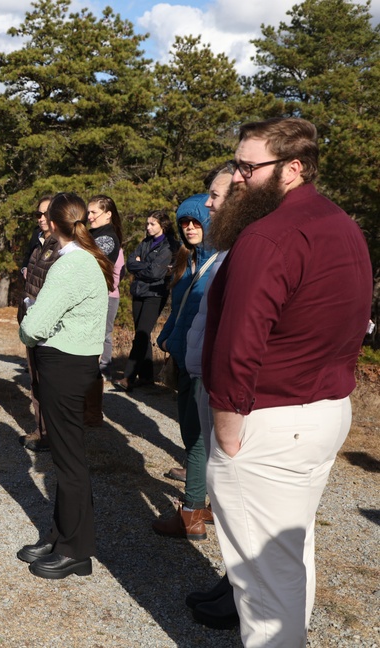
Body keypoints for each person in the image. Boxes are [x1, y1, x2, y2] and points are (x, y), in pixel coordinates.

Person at [203, 117, 372, 646]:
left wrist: (229, 429)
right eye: (236, 164)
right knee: (289, 560)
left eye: (249, 167)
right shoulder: (340, 224)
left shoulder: (268, 235)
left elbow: (239, 342)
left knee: (266, 587)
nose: (237, 178)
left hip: (269, 421)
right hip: (322, 414)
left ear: (293, 169)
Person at [16, 192, 114, 579]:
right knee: (64, 458)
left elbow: (33, 326)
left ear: (54, 225)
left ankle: (76, 551)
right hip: (71, 362)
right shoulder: (79, 260)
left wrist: (30, 322)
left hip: (64, 364)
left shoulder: (70, 265)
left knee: (69, 462)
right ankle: (61, 536)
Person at [181, 164, 239, 629]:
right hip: (201, 373)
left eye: (216, 197)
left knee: (236, 494)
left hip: (224, 388)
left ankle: (243, 597)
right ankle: (232, 581)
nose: (209, 205)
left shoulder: (241, 252)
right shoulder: (216, 256)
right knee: (227, 493)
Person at [152, 194, 217, 541]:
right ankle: (202, 502)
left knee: (196, 441)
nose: (190, 228)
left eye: (196, 222)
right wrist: (167, 336)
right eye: (184, 223)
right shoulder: (189, 261)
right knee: (194, 436)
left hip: (202, 364)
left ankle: (190, 513)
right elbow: (180, 310)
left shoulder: (220, 264)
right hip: (182, 357)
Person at [18, 195, 61, 451]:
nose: (41, 218)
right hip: (32, 319)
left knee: (48, 383)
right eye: (38, 214)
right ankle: (42, 430)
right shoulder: (39, 242)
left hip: (49, 323)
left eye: (46, 214)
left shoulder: (63, 247)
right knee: (35, 380)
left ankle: (52, 434)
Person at [115, 211, 176, 392]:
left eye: (152, 224)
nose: (148, 227)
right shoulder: (146, 242)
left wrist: (142, 267)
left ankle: (128, 376)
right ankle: (147, 377)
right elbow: (131, 262)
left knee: (141, 334)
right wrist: (145, 267)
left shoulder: (169, 246)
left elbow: (156, 273)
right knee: (142, 334)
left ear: (162, 225)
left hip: (155, 294)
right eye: (147, 224)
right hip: (139, 291)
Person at [85, 195, 125, 425]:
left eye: (94, 213)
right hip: (91, 298)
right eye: (88, 212)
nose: (89, 217)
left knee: (92, 354)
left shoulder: (107, 238)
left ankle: (92, 411)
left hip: (99, 298)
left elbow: (92, 267)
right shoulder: (93, 234)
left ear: (108, 214)